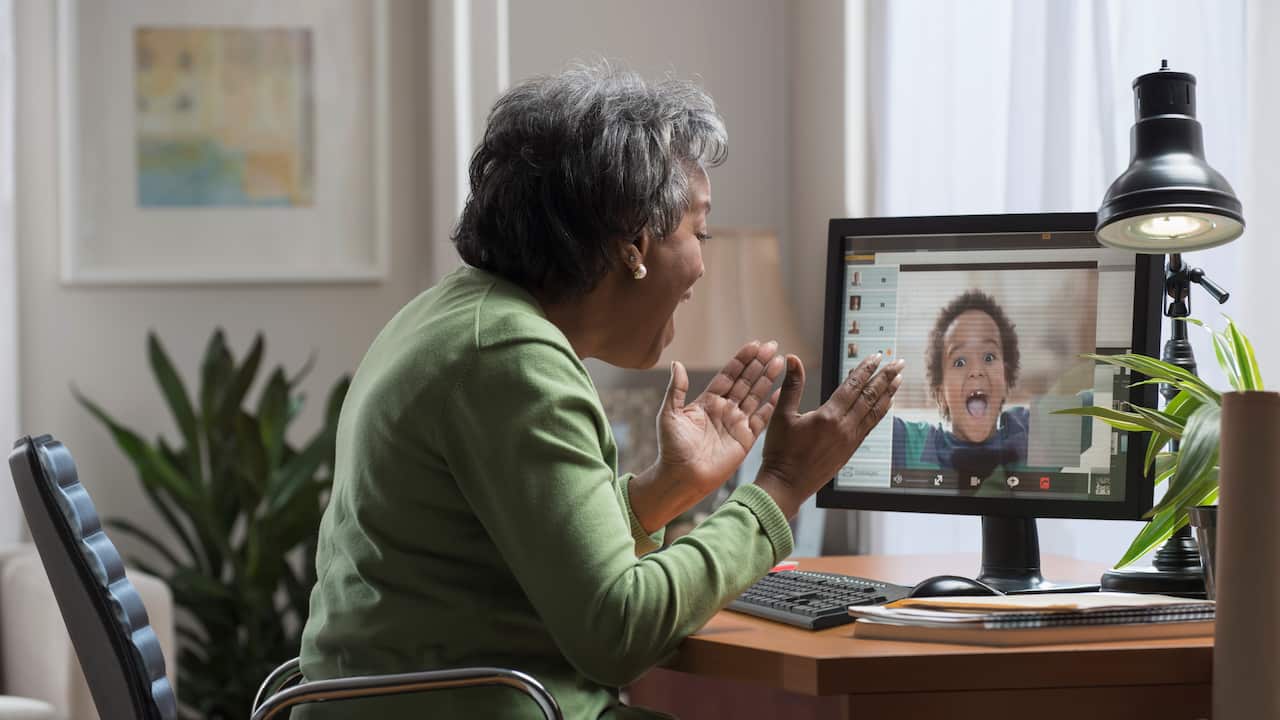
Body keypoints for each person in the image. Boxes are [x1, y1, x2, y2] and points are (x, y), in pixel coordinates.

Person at [297, 62, 904, 719]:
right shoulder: (510, 359)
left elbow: (540, 549)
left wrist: (669, 486)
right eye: (699, 233)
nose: (702, 266)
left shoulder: (459, 317)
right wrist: (782, 484)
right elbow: (616, 633)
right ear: (634, 243)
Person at [892, 289, 1028, 480]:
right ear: (941, 394)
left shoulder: (1027, 436)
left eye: (989, 357)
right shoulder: (913, 445)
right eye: (960, 362)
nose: (976, 370)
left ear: (1005, 380)